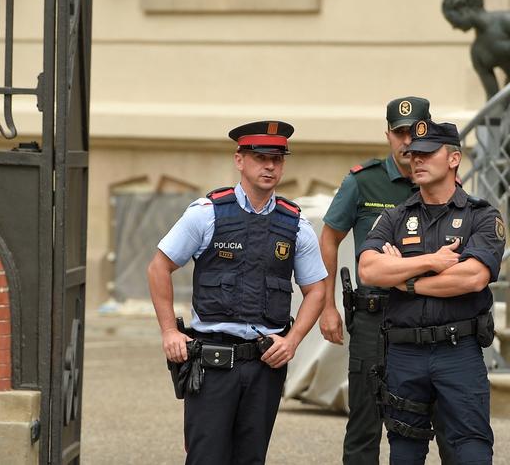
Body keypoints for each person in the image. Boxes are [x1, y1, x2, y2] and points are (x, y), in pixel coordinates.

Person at [147, 121, 326, 465]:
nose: (270, 166)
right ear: (240, 160)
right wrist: (169, 330)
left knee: (251, 458)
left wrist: (293, 341)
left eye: (277, 159)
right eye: (260, 157)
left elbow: (317, 289)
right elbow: (159, 267)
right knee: (206, 457)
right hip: (213, 365)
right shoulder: (207, 214)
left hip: (264, 365)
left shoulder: (295, 225)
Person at [358, 119, 503, 464]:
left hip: (458, 352)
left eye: (427, 153)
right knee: (404, 450)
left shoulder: (480, 216)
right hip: (405, 352)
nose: (416, 160)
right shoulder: (396, 217)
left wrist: (405, 279)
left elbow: (471, 278)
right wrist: (432, 261)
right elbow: (369, 269)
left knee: (471, 449)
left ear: (454, 159)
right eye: (411, 154)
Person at [319, 96, 453, 464]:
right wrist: (326, 306)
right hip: (374, 317)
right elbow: (329, 238)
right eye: (399, 133)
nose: (407, 141)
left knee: (437, 420)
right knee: (364, 421)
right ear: (388, 135)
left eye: (415, 131)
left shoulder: (443, 180)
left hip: (430, 314)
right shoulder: (364, 181)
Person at [442, 0, 510, 100]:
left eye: (452, 19)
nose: (454, 26)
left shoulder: (506, 21)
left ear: (464, 9)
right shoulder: (477, 53)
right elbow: (492, 98)